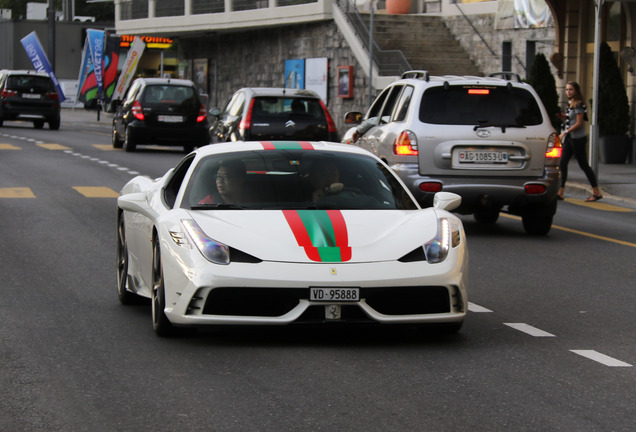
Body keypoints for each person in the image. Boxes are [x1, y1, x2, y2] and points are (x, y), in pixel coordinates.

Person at [558, 81, 603, 202]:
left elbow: (579, 123)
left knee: (583, 165)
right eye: (567, 89)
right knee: (562, 163)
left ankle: (596, 191)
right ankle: (560, 191)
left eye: (571, 89)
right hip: (570, 139)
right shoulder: (571, 103)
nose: (568, 92)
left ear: (576, 91)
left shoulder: (578, 104)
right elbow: (573, 120)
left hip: (577, 139)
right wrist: (564, 117)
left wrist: (565, 132)